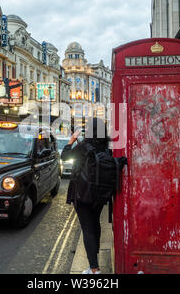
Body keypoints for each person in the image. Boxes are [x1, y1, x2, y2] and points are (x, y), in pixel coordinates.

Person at [61, 118, 110, 275]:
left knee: (87, 229)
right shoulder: (105, 146)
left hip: (82, 192)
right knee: (96, 225)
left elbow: (65, 156)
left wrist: (72, 140)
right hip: (99, 192)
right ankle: (94, 262)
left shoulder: (83, 145)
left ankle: (94, 269)